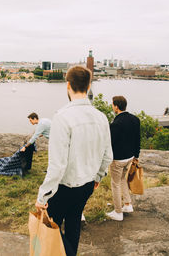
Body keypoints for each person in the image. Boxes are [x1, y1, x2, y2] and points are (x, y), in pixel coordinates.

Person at [35, 66, 113, 255]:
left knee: (49, 228)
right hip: (87, 184)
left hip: (64, 187)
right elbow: (107, 155)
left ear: (68, 85)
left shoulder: (62, 118)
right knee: (73, 223)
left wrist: (43, 195)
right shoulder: (101, 117)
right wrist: (98, 178)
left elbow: (57, 165)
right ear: (89, 85)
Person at [106, 96, 141, 221]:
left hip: (118, 159)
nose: (112, 106)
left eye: (112, 104)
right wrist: (136, 156)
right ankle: (127, 204)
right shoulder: (135, 119)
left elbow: (110, 143)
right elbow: (138, 139)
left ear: (116, 106)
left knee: (115, 184)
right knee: (122, 180)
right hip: (130, 157)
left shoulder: (116, 124)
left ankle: (118, 212)